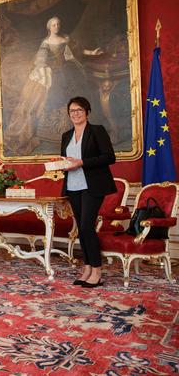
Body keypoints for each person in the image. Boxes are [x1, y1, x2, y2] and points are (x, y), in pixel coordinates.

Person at [5, 16, 102, 156]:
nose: (56, 27)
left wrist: (92, 53)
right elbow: (40, 58)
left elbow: (75, 52)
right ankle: (53, 131)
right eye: (53, 25)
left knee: (77, 95)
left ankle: (78, 130)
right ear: (49, 27)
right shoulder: (46, 42)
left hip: (67, 71)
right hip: (54, 72)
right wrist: (43, 66)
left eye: (58, 24)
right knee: (51, 96)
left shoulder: (65, 39)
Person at [61, 96, 116, 288]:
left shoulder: (97, 131)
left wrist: (81, 162)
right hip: (73, 186)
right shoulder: (66, 135)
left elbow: (109, 157)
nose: (75, 114)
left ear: (87, 112)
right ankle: (87, 268)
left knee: (86, 227)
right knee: (81, 230)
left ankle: (97, 271)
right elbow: (67, 160)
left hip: (93, 185)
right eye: (72, 111)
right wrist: (62, 163)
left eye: (79, 110)